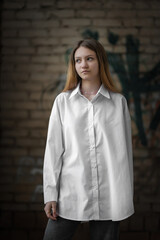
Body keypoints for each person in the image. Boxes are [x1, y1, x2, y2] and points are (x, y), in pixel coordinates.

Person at [43, 38, 134, 240]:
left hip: (109, 195)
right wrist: (50, 194)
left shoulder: (118, 103)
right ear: (73, 65)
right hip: (70, 192)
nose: (83, 65)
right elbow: (53, 150)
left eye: (89, 58)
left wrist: (123, 198)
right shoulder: (63, 102)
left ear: (100, 61)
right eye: (78, 60)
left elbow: (125, 154)